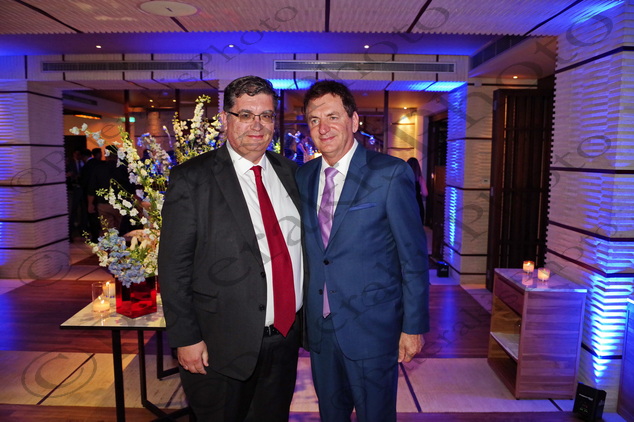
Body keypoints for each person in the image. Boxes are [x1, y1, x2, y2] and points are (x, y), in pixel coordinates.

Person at [158, 75, 304, 421]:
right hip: (219, 344)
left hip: (285, 339)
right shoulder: (192, 178)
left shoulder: (292, 173)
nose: (258, 124)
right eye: (246, 114)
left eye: (266, 115)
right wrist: (186, 338)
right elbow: (174, 267)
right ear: (225, 119)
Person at [296, 80, 430, 422]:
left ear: (354, 121)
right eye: (314, 120)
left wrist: (413, 326)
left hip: (373, 327)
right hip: (321, 326)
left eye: (333, 117)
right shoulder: (302, 177)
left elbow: (413, 257)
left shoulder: (389, 174)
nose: (323, 128)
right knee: (331, 414)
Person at [407, 157, 428, 226]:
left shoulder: (403, 178)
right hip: (417, 203)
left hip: (406, 203)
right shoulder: (420, 179)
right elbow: (425, 193)